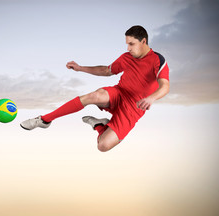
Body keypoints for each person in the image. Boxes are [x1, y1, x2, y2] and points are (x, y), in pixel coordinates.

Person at [20, 25, 170, 152]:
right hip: (119, 93)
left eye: (131, 44)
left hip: (134, 108)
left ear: (143, 41)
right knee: (94, 96)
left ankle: (99, 125)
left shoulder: (158, 60)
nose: (128, 48)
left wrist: (151, 98)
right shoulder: (126, 57)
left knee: (103, 146)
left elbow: (165, 86)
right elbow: (106, 70)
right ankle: (44, 120)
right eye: (127, 44)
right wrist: (80, 68)